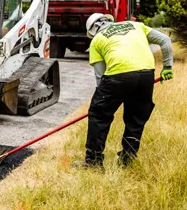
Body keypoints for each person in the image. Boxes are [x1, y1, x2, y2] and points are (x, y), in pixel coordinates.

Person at [74, 13, 173, 169]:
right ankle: (127, 160)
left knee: (99, 115)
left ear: (92, 32)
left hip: (117, 75)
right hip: (146, 74)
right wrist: (167, 67)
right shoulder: (136, 25)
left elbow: (100, 78)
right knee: (136, 117)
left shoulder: (97, 41)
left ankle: (93, 161)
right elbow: (165, 40)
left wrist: (102, 103)